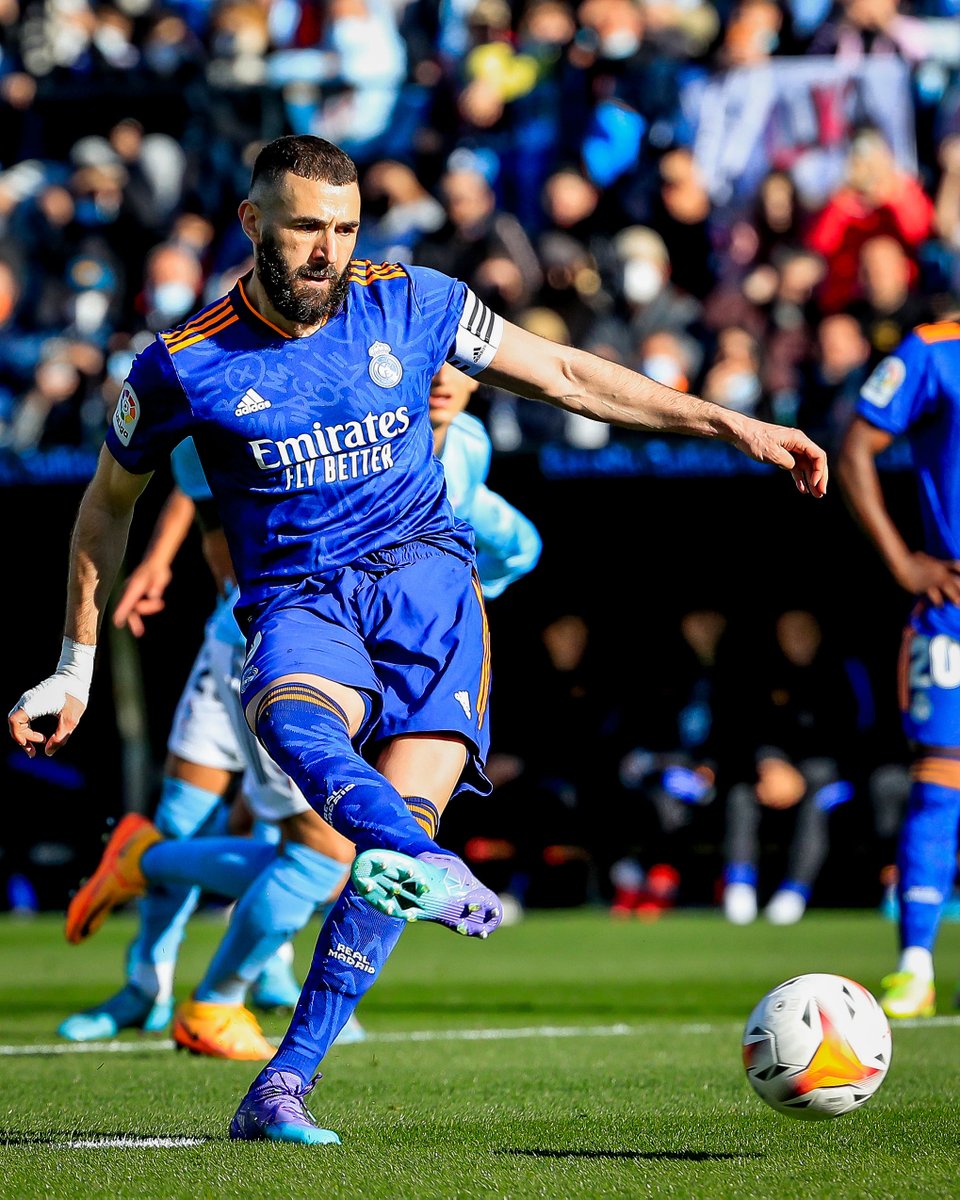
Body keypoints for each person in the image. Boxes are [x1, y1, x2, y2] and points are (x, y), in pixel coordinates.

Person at [8, 134, 827, 1146]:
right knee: (298, 723)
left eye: (346, 228)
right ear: (253, 222)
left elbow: (567, 372)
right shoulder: (182, 364)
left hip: (430, 592)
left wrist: (733, 425)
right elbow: (104, 506)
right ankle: (415, 858)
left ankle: (281, 1085)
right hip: (300, 597)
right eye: (306, 227)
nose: (328, 251)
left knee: (382, 859)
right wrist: (74, 667)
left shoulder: (416, 300)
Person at [59, 360, 541, 1057]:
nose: (439, 377)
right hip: (272, 649)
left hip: (323, 657)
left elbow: (511, 539)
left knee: (266, 837)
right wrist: (173, 562)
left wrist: (467, 590)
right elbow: (198, 488)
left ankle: (201, 944)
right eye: (427, 363)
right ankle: (188, 992)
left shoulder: (464, 446)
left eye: (455, 365)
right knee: (318, 854)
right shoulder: (302, 399)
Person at [838, 317, 960, 1018]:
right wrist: (903, 562)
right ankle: (916, 965)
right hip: (953, 611)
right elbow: (856, 446)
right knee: (941, 783)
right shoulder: (936, 349)